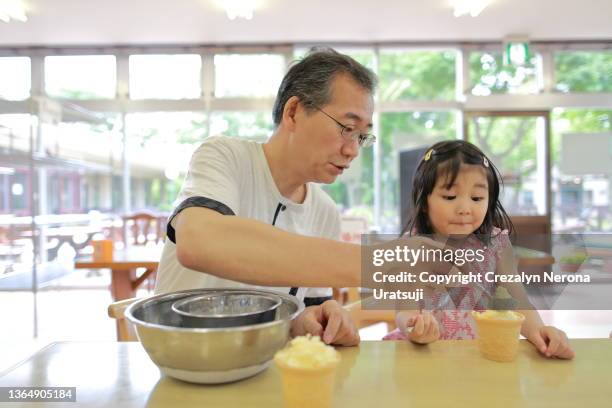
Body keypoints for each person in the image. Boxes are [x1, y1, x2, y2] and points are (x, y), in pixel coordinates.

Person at [154, 48, 462, 347]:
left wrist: (319, 322)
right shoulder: (225, 156)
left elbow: (306, 319)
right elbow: (201, 242)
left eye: (361, 136)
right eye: (346, 127)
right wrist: (379, 263)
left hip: (262, 367)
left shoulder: (324, 210)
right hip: (187, 359)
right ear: (293, 112)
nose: (353, 149)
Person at [384, 140, 575, 359]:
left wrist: (540, 331)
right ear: (424, 201)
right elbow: (405, 311)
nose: (465, 209)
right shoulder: (413, 247)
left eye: (476, 198)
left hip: (482, 352)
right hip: (427, 353)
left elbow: (517, 301)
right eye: (450, 197)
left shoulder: (496, 244)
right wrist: (414, 326)